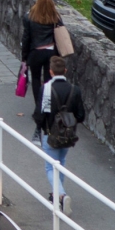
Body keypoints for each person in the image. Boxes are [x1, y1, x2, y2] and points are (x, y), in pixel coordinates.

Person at [34, 55, 86, 209]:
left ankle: (61, 195)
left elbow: (39, 114)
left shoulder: (46, 88)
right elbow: (81, 115)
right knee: (61, 164)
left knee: (50, 167)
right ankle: (56, 195)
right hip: (68, 135)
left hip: (51, 134)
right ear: (65, 70)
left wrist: (42, 126)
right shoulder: (74, 90)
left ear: (50, 72)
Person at [20, 0, 65, 106]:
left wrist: (24, 56)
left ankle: (38, 106)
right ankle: (47, 105)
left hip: (35, 53)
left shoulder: (29, 17)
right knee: (48, 80)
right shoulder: (55, 17)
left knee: (35, 79)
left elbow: (26, 38)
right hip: (51, 53)